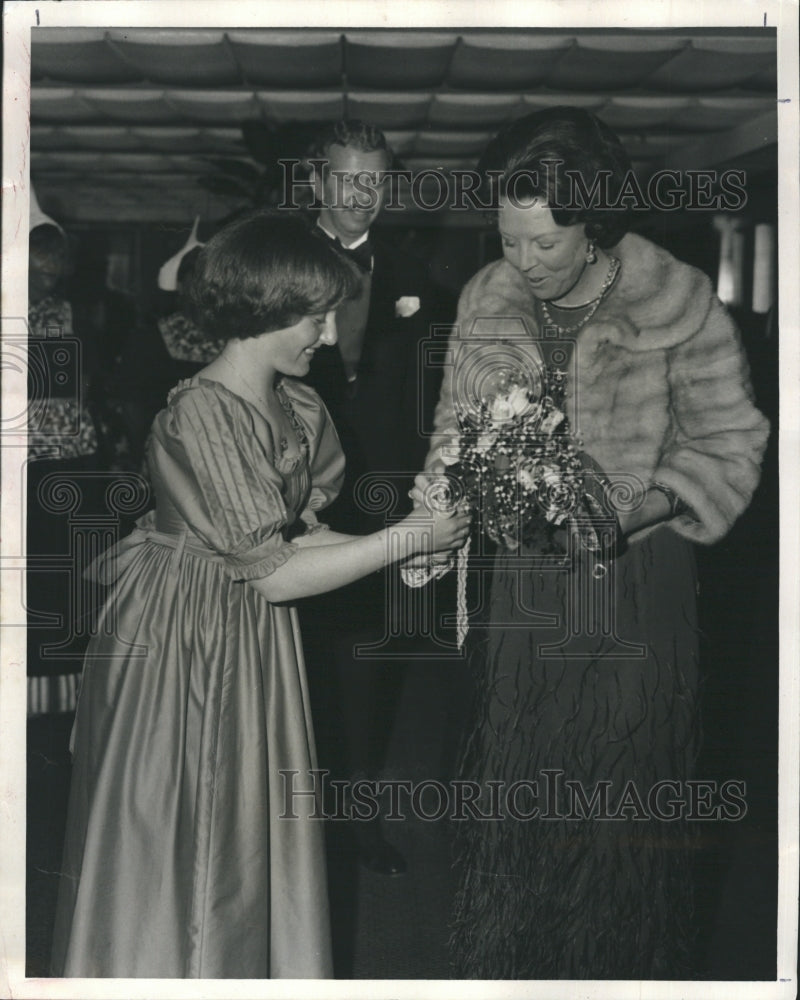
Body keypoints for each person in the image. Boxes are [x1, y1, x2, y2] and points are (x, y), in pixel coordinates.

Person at [50, 211, 470, 979]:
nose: (329, 335)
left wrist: (411, 544)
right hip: (183, 640)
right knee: (186, 830)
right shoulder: (202, 415)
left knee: (237, 831)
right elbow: (272, 568)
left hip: (245, 631)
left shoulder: (294, 405)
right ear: (267, 310)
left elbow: (295, 540)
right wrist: (403, 540)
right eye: (315, 317)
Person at [412, 107, 770, 979]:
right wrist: (429, 523)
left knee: (617, 787)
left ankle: (617, 968)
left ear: (595, 222)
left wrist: (629, 511)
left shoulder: (677, 302)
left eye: (545, 244)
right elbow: (455, 434)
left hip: (634, 579)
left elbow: (731, 443)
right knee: (519, 778)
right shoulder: (486, 299)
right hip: (524, 584)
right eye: (509, 240)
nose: (524, 264)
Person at [298, 120, 446, 876]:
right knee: (288, 668)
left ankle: (354, 823)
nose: (363, 196)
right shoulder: (277, 261)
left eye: (376, 181)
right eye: (348, 179)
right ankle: (284, 831)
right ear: (318, 182)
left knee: (368, 669)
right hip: (290, 505)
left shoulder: (418, 274)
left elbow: (434, 398)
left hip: (382, 504)